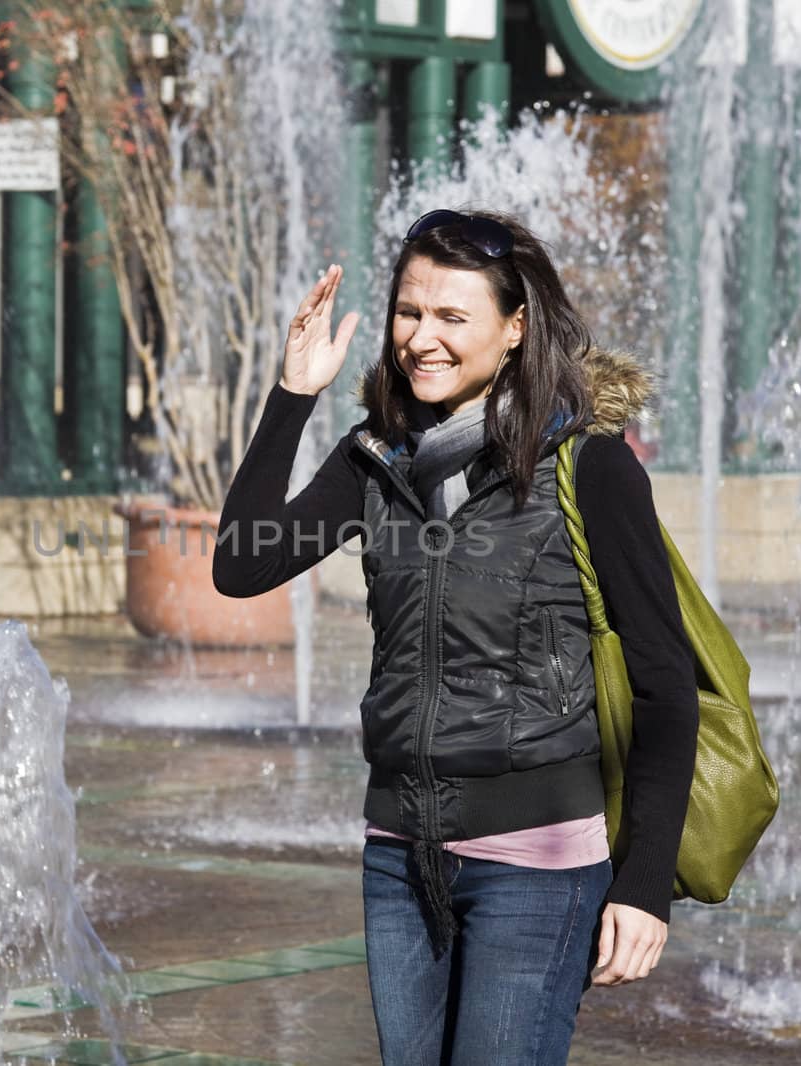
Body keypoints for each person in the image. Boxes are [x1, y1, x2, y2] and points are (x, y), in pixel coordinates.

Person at [211, 209, 699, 1065]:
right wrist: (293, 395)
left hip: (538, 865)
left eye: (450, 317)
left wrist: (646, 885)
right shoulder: (376, 461)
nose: (420, 339)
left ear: (515, 329)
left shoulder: (590, 467)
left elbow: (664, 681)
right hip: (400, 856)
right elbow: (240, 565)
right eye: (408, 312)